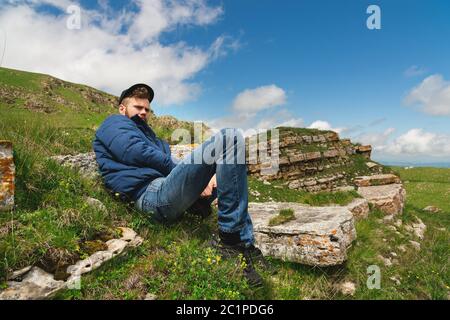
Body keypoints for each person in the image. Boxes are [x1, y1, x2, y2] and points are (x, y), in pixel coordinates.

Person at [92, 83, 268, 286]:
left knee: (232, 180)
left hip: (165, 188)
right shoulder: (114, 123)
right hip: (149, 195)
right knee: (229, 137)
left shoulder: (155, 139)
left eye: (146, 109)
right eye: (137, 107)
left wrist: (210, 178)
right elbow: (134, 151)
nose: (143, 112)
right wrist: (187, 175)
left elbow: (166, 161)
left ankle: (245, 245)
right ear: (122, 108)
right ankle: (229, 243)